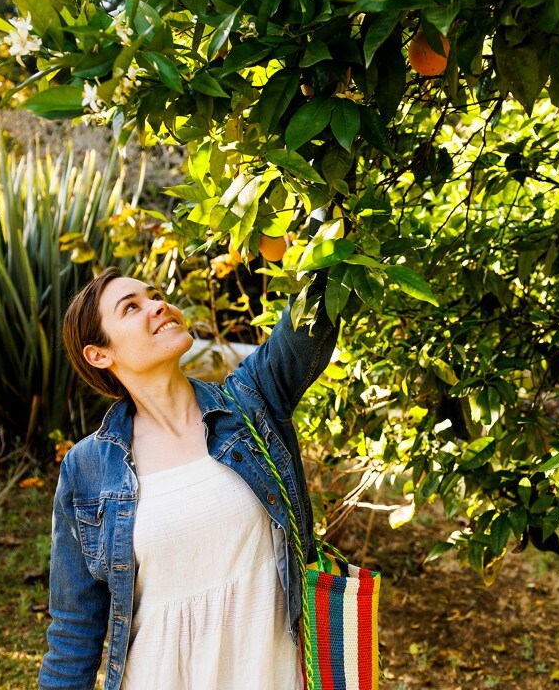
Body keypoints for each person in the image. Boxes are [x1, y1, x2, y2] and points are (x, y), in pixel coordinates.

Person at [38, 264, 340, 690]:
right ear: (100, 355)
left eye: (156, 295)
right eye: (132, 307)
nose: (159, 305)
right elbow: (74, 630)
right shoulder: (88, 468)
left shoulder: (251, 404)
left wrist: (294, 231)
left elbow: (317, 305)